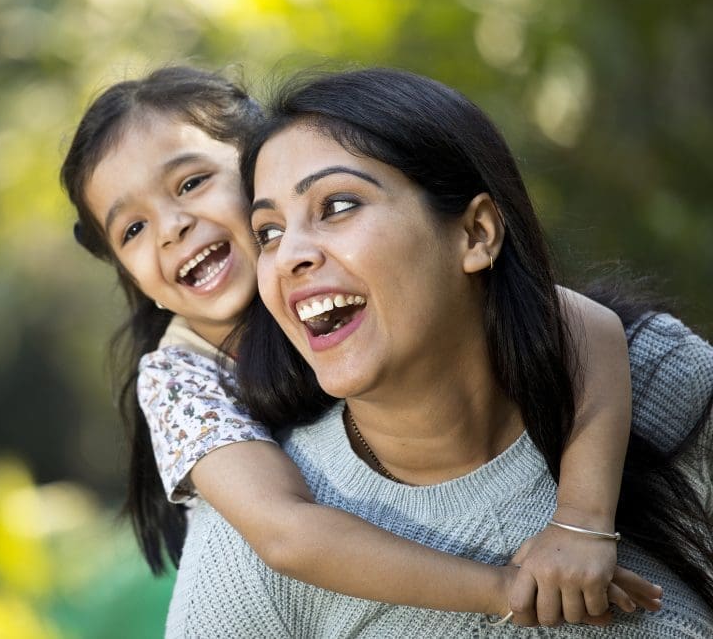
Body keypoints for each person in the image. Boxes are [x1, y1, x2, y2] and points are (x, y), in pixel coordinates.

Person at [59, 66, 668, 623]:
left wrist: (583, 521)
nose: (172, 228)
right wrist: (503, 589)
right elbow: (287, 535)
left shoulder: (329, 268)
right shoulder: (179, 378)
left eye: (191, 182)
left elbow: (579, 321)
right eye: (133, 228)